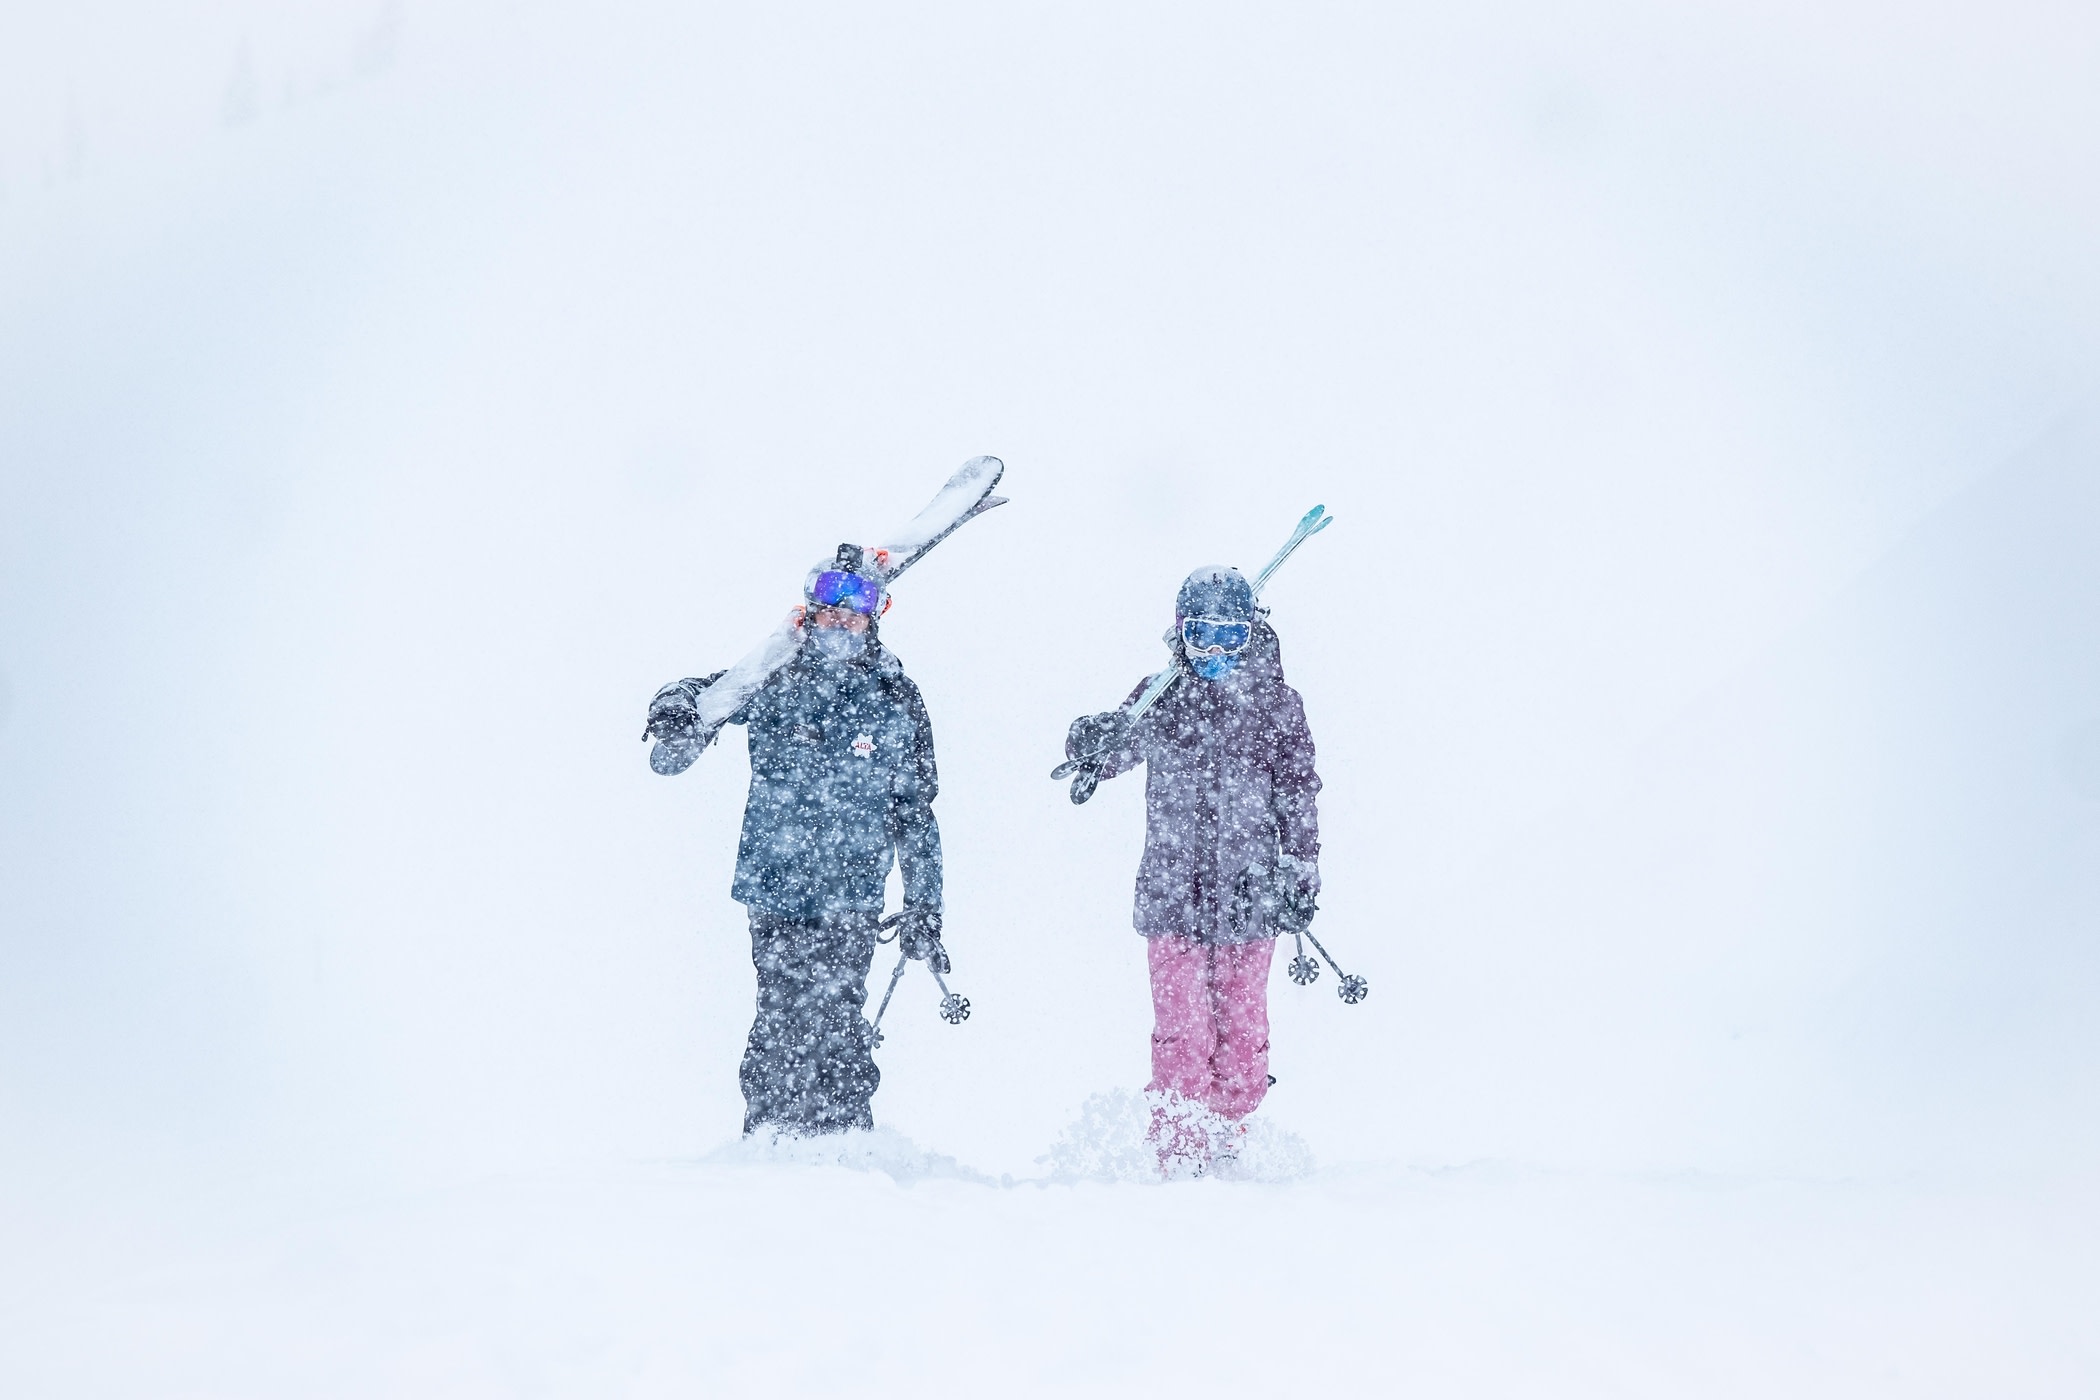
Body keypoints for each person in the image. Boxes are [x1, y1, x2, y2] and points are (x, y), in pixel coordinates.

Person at [646, 546, 946, 1137]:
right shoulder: (773, 676)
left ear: (874, 616)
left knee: (837, 1019)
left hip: (852, 892)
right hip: (775, 883)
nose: (839, 620)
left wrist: (924, 905)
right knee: (781, 1016)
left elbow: (916, 813)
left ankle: (844, 1148)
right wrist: (677, 707)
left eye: (853, 610)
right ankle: (770, 1143)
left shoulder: (895, 698)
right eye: (827, 607)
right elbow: (711, 694)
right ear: (808, 612)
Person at [1065, 565, 1322, 1175]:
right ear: (1179, 632)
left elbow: (1298, 791)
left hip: (1250, 896)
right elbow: (1111, 752)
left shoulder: (1275, 705)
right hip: (1172, 896)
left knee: (1241, 1037)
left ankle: (1232, 1143)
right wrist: (1089, 742)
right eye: (1201, 634)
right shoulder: (1161, 696)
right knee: (1184, 1033)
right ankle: (1180, 1155)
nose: (1213, 651)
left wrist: (1301, 869)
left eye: (1229, 637)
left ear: (1251, 635)